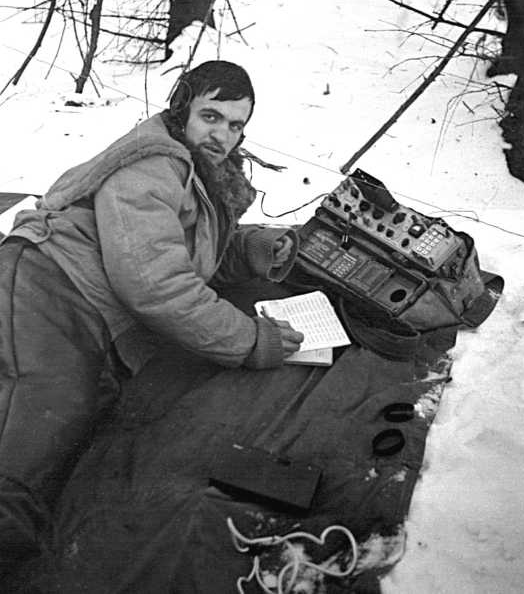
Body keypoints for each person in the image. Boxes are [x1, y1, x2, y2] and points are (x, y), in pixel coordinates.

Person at [0, 60, 303, 581]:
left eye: (235, 125)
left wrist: (250, 245)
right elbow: (154, 282)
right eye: (212, 116)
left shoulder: (200, 170)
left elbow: (184, 249)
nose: (223, 135)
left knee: (83, 422)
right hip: (48, 283)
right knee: (43, 418)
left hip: (93, 311)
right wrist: (250, 340)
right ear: (183, 106)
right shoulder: (152, 164)